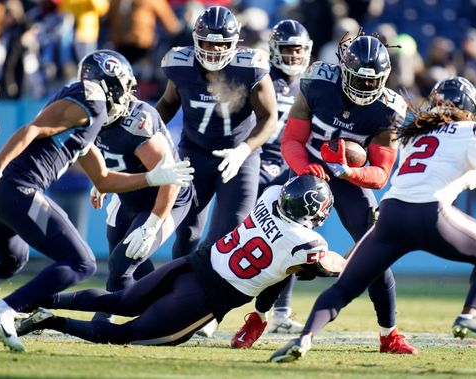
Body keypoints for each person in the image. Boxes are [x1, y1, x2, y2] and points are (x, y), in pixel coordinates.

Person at [269, 76, 476, 363]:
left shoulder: (416, 133)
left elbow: (429, 171)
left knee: (344, 288)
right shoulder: (475, 129)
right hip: (430, 213)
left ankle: (305, 338)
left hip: (391, 213)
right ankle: (469, 316)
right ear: (469, 109)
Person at [0, 49, 194, 351]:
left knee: (11, 261)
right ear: (104, 84)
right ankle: (6, 309)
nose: (125, 96)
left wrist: (152, 178)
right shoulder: (91, 100)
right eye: (119, 87)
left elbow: (103, 179)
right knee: (82, 263)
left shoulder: (92, 116)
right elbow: (31, 130)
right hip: (19, 189)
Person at [15, 175, 345, 346]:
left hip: (197, 262)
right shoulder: (308, 241)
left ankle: (35, 299)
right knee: (124, 334)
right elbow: (326, 266)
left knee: (121, 300)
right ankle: (49, 321)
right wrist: (356, 258)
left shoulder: (271, 194)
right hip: (208, 296)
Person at [277, 31, 417, 354]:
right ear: (344, 69)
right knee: (283, 244)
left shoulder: (388, 109)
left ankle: (389, 334)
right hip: (308, 166)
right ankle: (257, 318)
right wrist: (304, 169)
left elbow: (381, 174)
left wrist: (349, 171)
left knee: (375, 252)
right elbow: (291, 141)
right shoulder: (318, 82)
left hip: (349, 178)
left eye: (373, 82)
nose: (366, 88)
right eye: (360, 79)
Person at [155, 5, 278, 335]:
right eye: (206, 43)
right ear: (196, 40)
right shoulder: (179, 64)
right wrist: (149, 137)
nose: (213, 50)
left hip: (239, 156)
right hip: (194, 153)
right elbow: (167, 104)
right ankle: (174, 296)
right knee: (186, 231)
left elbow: (269, 118)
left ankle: (208, 308)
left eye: (221, 44)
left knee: (229, 232)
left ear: (235, 43)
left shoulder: (250, 67)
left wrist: (243, 150)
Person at [230, 19, 313, 345]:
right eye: (288, 49)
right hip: (254, 163)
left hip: (288, 171)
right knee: (236, 233)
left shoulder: (310, 85)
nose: (293, 56)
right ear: (275, 50)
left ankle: (280, 313)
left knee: (293, 238)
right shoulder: (261, 76)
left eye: (298, 50)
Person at [89, 98, 195, 323]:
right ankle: (173, 307)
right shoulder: (87, 113)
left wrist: (152, 225)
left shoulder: (137, 123)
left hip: (165, 198)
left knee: (123, 263)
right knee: (127, 261)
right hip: (129, 196)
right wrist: (102, 180)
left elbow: (170, 180)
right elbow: (106, 154)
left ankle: (129, 319)